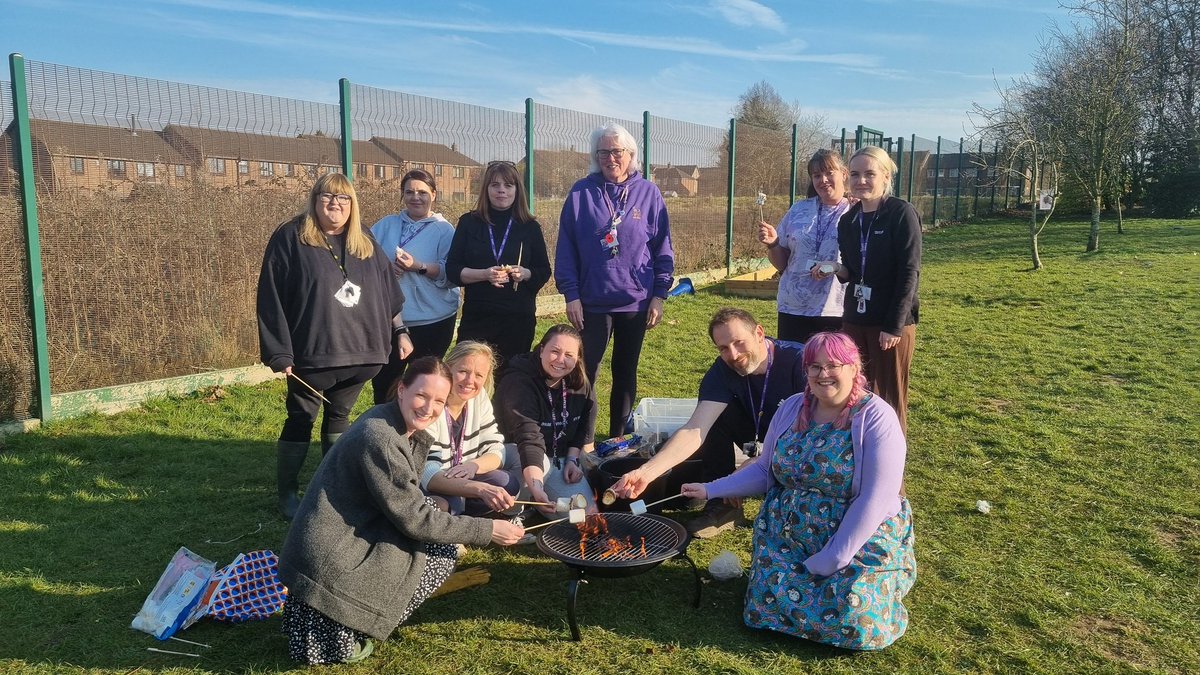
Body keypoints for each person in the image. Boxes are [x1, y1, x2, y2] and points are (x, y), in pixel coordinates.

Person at [279, 357, 527, 666]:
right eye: (422, 395)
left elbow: (405, 502)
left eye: (439, 400)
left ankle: (361, 617)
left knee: (432, 541)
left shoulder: (395, 424)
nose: (429, 407)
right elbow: (416, 521)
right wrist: (488, 530)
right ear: (401, 390)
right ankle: (361, 621)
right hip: (330, 558)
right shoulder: (381, 438)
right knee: (440, 553)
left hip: (349, 537)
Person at [680, 332, 915, 650]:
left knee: (855, 616)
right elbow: (765, 470)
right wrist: (711, 489)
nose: (823, 374)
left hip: (854, 536)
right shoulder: (792, 408)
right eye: (814, 367)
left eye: (833, 365)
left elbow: (876, 498)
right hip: (788, 538)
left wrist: (834, 557)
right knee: (763, 607)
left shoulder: (875, 417)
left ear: (853, 368)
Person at [257, 173, 411, 519]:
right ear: (314, 199)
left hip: (363, 353)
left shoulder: (364, 240)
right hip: (314, 354)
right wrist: (278, 350)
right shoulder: (291, 238)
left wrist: (400, 332)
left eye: (344, 199)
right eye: (328, 196)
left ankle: (330, 487)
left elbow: (388, 293)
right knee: (301, 418)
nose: (335, 204)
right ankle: (288, 494)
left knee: (340, 415)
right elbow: (271, 298)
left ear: (352, 204)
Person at [610, 308, 807, 538]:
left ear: (760, 333)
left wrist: (762, 460)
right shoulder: (722, 370)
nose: (733, 355)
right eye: (723, 348)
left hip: (802, 445)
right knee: (714, 417)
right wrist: (646, 472)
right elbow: (695, 430)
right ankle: (723, 504)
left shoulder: (800, 362)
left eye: (739, 342)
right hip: (757, 433)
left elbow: (820, 432)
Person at [555, 121, 674, 439]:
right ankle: (583, 441)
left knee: (625, 372)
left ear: (631, 154)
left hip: (636, 301)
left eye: (617, 151)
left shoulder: (649, 193)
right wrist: (571, 294)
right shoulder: (581, 192)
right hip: (591, 301)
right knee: (586, 372)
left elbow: (662, 247)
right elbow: (566, 245)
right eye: (603, 152)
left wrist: (659, 294)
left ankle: (619, 439)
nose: (610, 158)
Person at [812, 145, 921, 431]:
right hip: (855, 319)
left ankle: (890, 463)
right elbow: (851, 271)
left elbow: (909, 272)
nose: (862, 181)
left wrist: (894, 326)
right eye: (856, 174)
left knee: (888, 397)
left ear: (885, 176)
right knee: (854, 391)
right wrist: (835, 268)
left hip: (889, 324)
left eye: (870, 174)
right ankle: (857, 452)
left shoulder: (901, 213)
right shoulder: (848, 220)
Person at [446, 161, 550, 369]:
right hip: (478, 316)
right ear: (486, 189)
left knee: (510, 381)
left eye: (508, 185)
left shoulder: (529, 227)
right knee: (470, 376)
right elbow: (453, 270)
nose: (501, 190)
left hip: (517, 319)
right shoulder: (469, 222)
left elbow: (544, 271)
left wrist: (526, 273)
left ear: (517, 190)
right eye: (495, 185)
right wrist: (484, 274)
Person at [369, 168, 460, 404]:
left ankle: (421, 435)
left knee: (424, 386)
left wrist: (418, 265)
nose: (415, 197)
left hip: (433, 321)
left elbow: (451, 274)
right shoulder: (385, 225)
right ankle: (386, 434)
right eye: (409, 192)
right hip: (392, 320)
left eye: (422, 192)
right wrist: (386, 269)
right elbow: (365, 261)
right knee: (386, 385)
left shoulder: (445, 230)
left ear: (434, 194)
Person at [494, 324, 598, 519]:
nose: (560, 360)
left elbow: (584, 423)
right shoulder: (519, 382)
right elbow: (528, 439)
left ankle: (537, 504)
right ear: (542, 350)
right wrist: (537, 487)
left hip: (557, 461)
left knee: (584, 515)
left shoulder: (580, 381)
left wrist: (572, 460)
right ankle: (510, 513)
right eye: (555, 351)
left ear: (577, 358)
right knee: (542, 464)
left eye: (569, 355)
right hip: (518, 456)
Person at [757, 149, 853, 343]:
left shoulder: (856, 210)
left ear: (843, 174)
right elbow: (782, 264)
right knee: (795, 366)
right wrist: (774, 244)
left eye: (829, 173)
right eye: (817, 175)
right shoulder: (798, 210)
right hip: (792, 307)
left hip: (834, 307)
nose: (823, 180)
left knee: (830, 367)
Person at [421, 341, 520, 516]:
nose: (470, 381)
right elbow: (427, 474)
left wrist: (473, 466)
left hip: (465, 473)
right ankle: (458, 522)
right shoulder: (432, 403)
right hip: (435, 481)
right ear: (448, 368)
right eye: (463, 371)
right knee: (444, 505)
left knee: (507, 483)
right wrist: (479, 489)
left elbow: (496, 449)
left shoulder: (478, 396)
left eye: (479, 375)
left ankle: (468, 515)